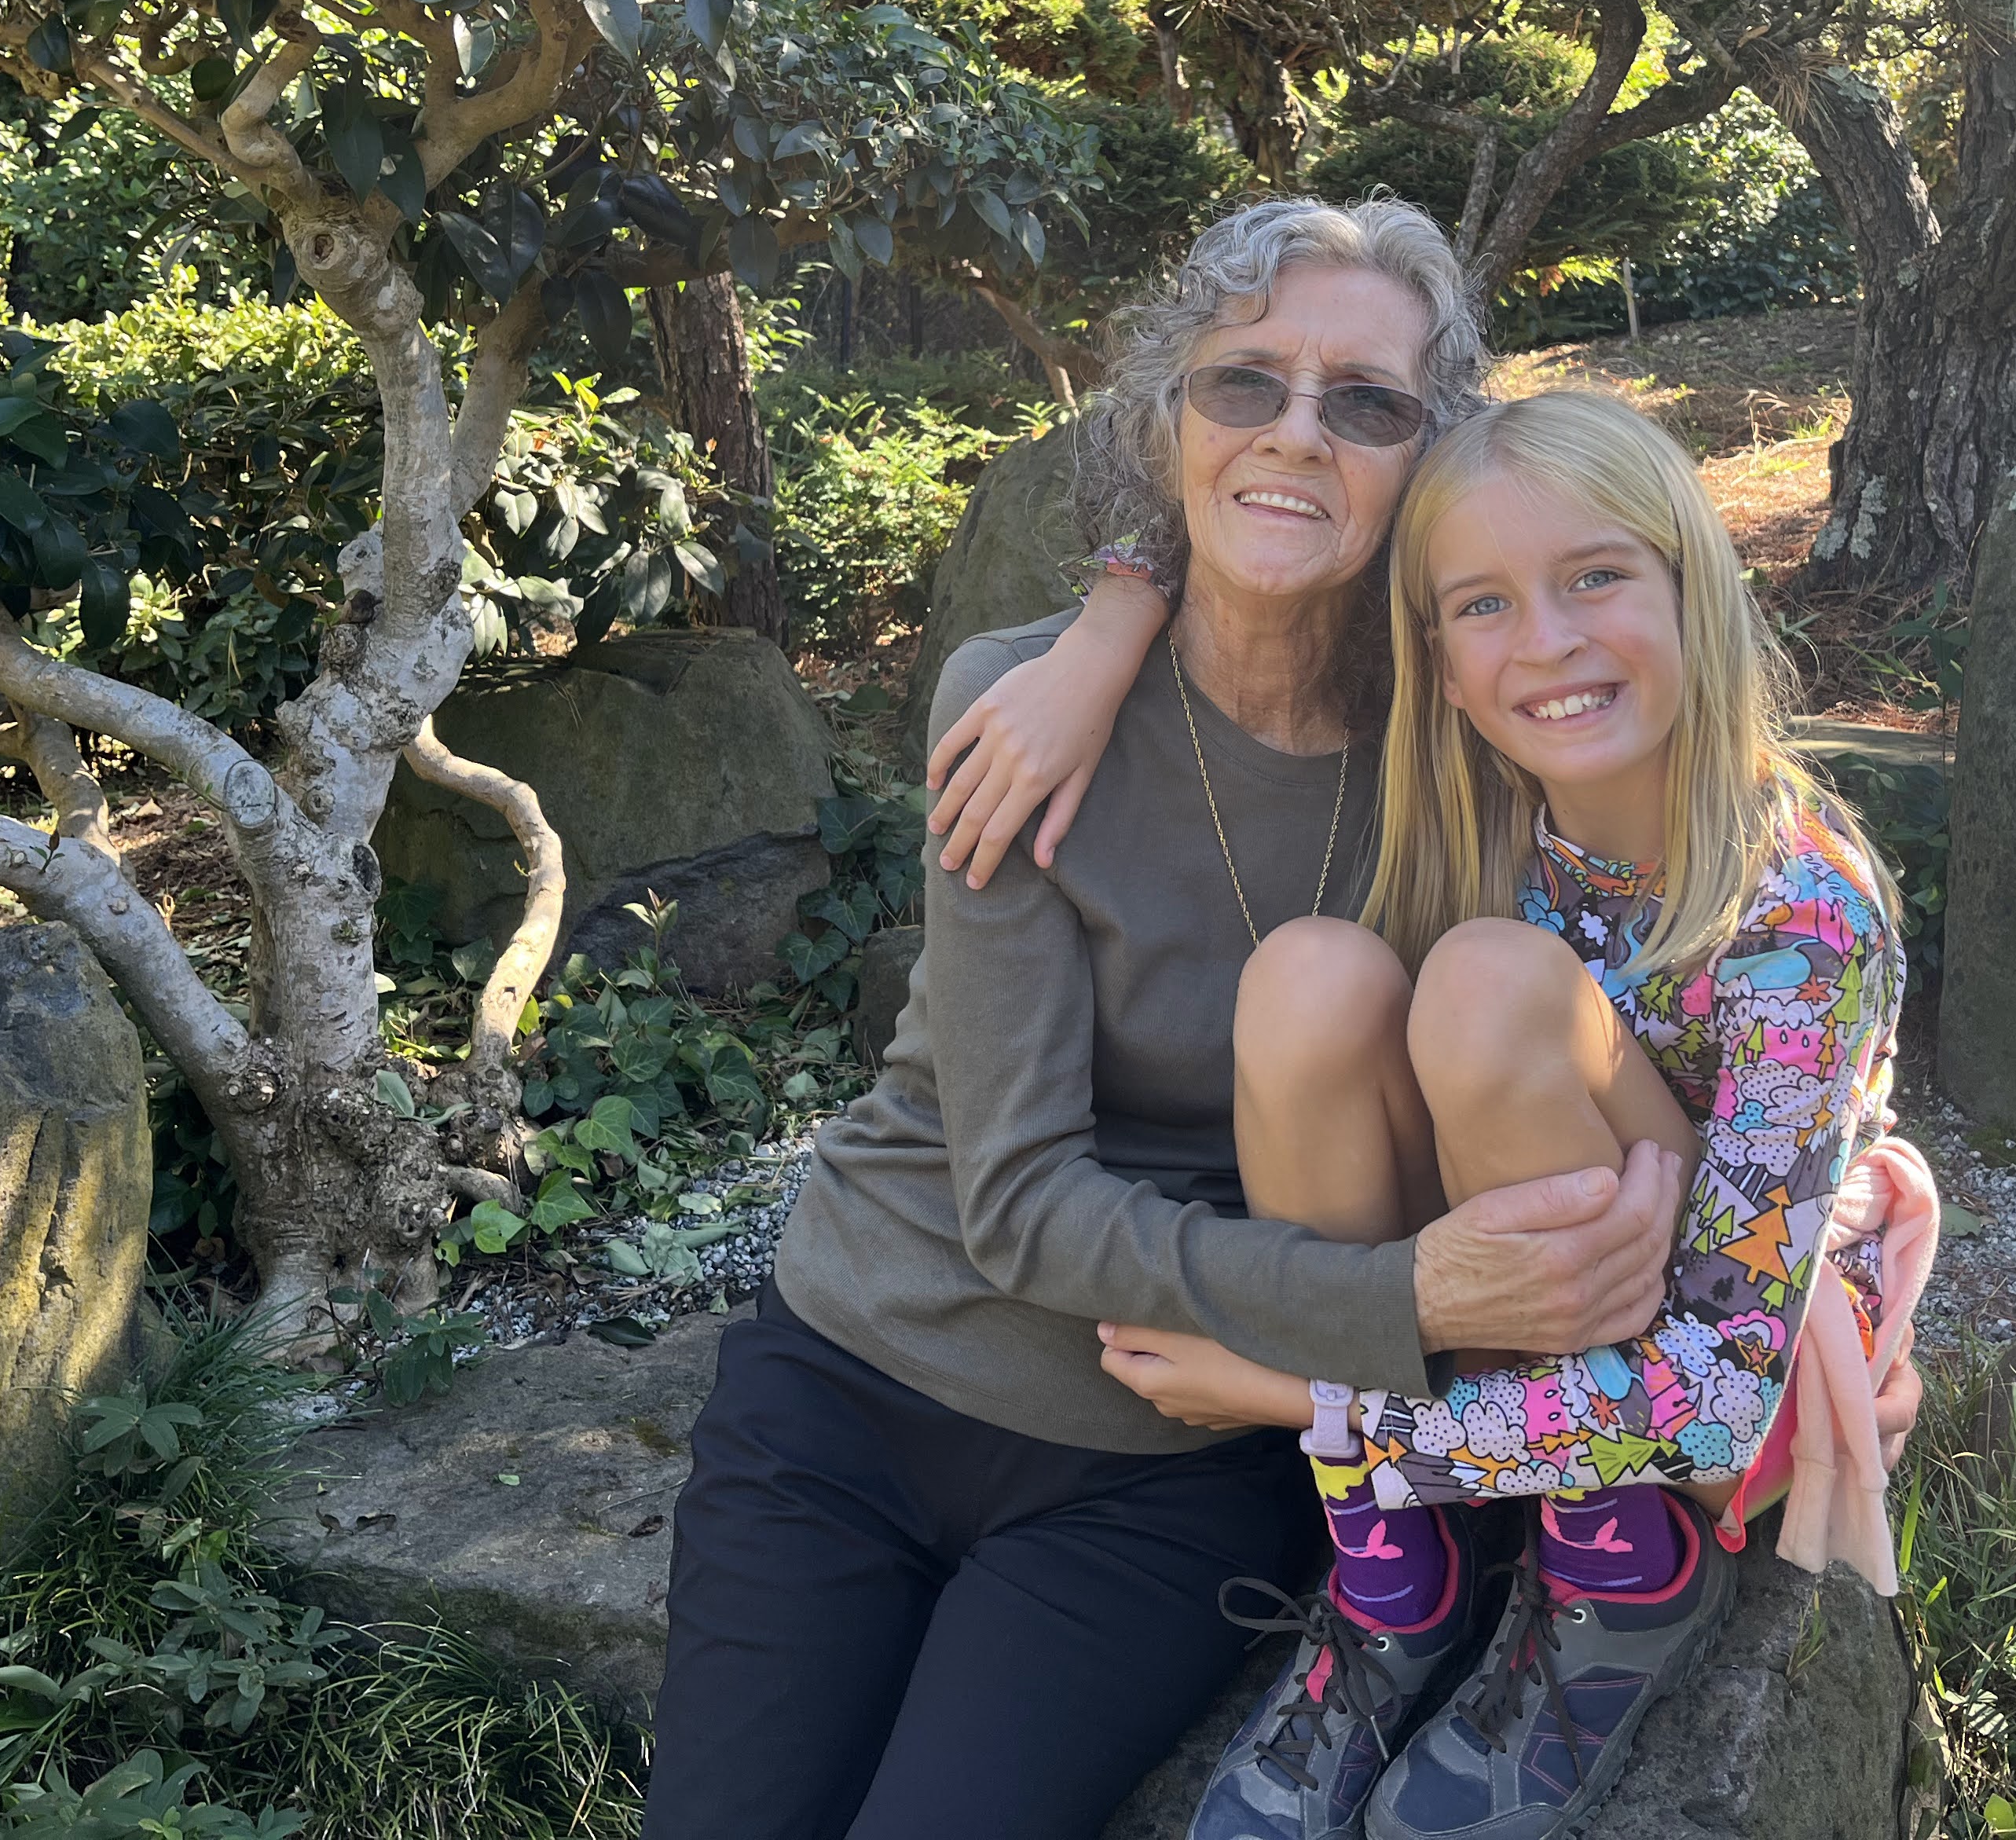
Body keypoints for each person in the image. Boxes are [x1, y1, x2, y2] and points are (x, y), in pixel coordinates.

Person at [642, 203, 1694, 1840]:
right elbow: (1013, 1202)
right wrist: (1404, 1295)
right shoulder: (1024, 699)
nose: (1296, 432)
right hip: (852, 1383)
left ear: (1433, 453)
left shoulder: (1476, 728)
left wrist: (1843, 1178)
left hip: (1164, 1459)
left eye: (1366, 403)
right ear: (1165, 421)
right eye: (1242, 385)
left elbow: (1692, 942)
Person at [952, 391, 1923, 1840]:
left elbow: (1719, 1392)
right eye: (1483, 605)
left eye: (1598, 576)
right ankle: (1402, 1576)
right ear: (1442, 672)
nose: (1547, 642)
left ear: (1694, 590)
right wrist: (1104, 629)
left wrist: (1301, 1400)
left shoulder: (1797, 919)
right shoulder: (1473, 818)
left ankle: (1618, 1577)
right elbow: (1238, 543)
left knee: (1482, 984)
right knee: (1309, 975)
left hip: (1725, 1392)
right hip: (1530, 1301)